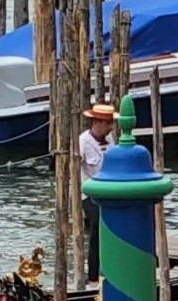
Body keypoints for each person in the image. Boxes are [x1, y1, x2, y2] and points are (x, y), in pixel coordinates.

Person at [78, 102, 117, 285]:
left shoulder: (111, 141)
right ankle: (92, 276)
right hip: (89, 192)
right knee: (97, 226)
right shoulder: (82, 141)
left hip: (109, 190)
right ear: (98, 123)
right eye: (108, 123)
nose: (110, 127)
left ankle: (110, 268)